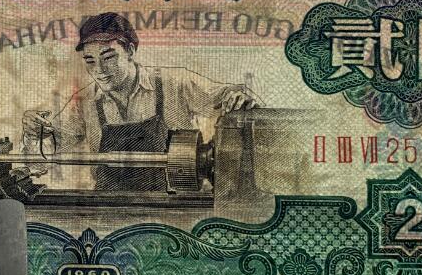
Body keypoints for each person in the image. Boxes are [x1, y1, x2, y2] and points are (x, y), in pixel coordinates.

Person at [22, 12, 258, 191]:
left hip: (177, 205)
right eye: (90, 61)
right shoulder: (84, 102)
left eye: (108, 57)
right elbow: (40, 162)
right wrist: (34, 134)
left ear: (131, 51)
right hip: (109, 206)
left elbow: (229, 97)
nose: (99, 70)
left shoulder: (174, 83)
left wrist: (239, 98)